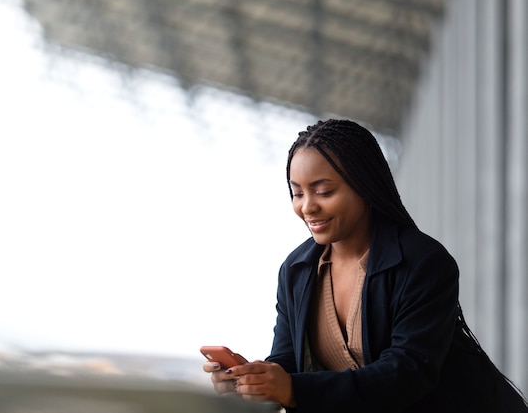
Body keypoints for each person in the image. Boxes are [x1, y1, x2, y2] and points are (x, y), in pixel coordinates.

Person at [203, 119, 528, 412]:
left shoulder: (423, 263)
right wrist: (254, 380)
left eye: (324, 191)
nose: (307, 207)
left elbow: (408, 373)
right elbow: (288, 362)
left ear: (364, 186)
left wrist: (293, 388)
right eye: (297, 193)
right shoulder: (296, 271)